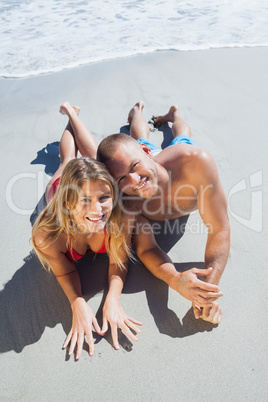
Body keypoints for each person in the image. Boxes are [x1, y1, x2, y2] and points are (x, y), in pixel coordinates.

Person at [97, 101, 231, 324]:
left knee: (182, 136)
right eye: (121, 179)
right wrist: (176, 279)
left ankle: (174, 114)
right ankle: (137, 111)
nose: (134, 181)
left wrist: (207, 290)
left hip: (172, 161)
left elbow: (219, 228)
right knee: (137, 136)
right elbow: (145, 248)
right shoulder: (126, 201)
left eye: (134, 167)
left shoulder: (195, 164)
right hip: (147, 157)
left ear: (147, 153)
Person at [32, 102, 142, 359]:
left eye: (104, 198)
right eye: (85, 201)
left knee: (96, 157)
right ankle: (71, 115)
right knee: (68, 160)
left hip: (92, 183)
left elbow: (119, 258)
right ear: (70, 203)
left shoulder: (118, 215)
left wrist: (113, 298)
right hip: (61, 187)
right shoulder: (48, 235)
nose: (97, 211)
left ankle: (72, 114)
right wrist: (77, 301)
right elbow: (66, 270)